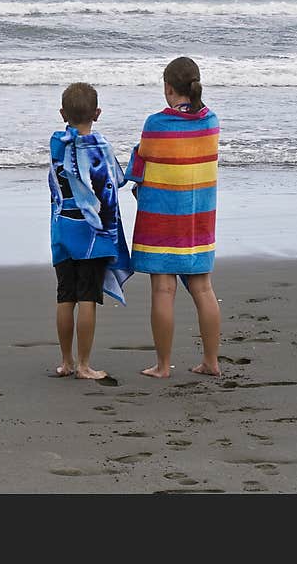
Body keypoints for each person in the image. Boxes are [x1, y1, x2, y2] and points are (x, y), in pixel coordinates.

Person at [126, 57, 221, 378]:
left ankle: (163, 365)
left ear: (168, 88)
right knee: (204, 290)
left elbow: (143, 158)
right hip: (198, 217)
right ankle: (211, 361)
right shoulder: (211, 122)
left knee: (163, 291)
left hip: (163, 218)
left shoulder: (156, 124)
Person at [48, 82, 133, 380]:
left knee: (64, 297)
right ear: (97, 113)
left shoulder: (57, 145)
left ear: (62, 113)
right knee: (87, 298)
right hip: (92, 237)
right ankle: (84, 365)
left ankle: (66, 361)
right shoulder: (100, 147)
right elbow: (114, 183)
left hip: (62, 233)